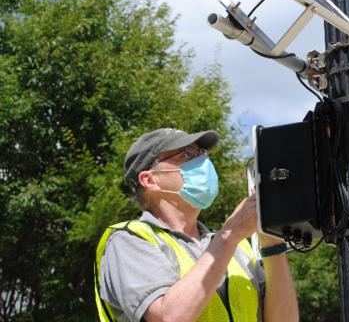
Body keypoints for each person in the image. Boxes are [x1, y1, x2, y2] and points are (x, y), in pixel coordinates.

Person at [94, 128, 299, 322]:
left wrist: (272, 242)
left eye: (202, 153)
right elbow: (168, 317)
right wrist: (229, 235)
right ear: (150, 180)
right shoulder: (128, 240)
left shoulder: (239, 248)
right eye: (187, 153)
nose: (202, 161)